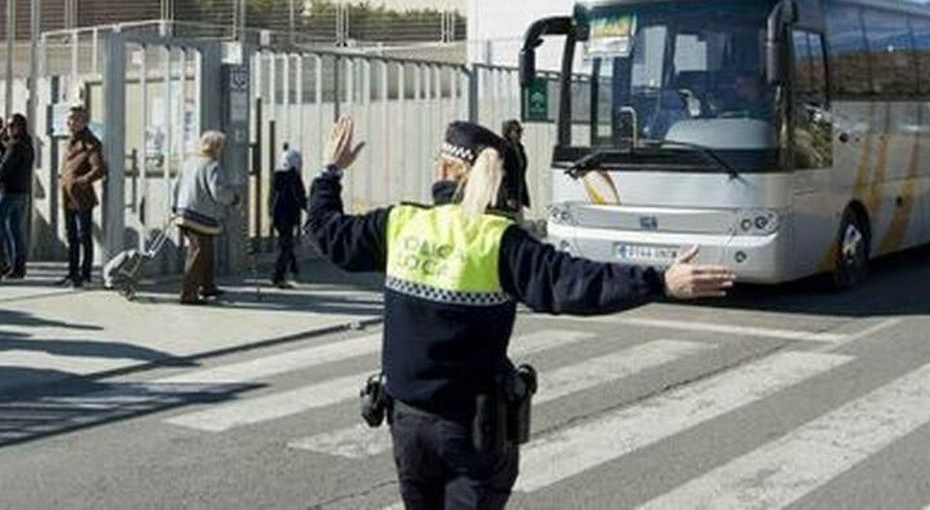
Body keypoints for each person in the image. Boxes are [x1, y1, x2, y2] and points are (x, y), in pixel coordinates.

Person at [306, 117, 735, 509]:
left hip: (408, 428)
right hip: (473, 431)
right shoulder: (501, 241)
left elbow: (326, 231)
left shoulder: (400, 225)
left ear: (442, 171)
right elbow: (576, 283)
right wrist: (660, 281)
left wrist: (331, 171)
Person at [173, 131, 234, 304]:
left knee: (205, 250)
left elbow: (176, 186)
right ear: (216, 147)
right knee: (198, 252)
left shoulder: (189, 162)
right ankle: (188, 294)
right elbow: (218, 192)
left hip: (184, 212)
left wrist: (175, 207)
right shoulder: (211, 165)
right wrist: (234, 199)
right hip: (200, 216)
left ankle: (207, 286)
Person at [0, 114, 34, 283]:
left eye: (12, 126)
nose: (9, 129)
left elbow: (4, 171)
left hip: (8, 191)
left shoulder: (16, 145)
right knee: (15, 231)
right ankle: (18, 266)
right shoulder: (27, 144)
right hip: (22, 191)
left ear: (20, 127)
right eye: (8, 126)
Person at [58, 107, 105, 288]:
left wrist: (81, 181)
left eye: (74, 120)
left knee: (83, 236)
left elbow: (99, 169)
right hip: (68, 197)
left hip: (82, 198)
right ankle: (72, 273)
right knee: (71, 237)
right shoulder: (69, 142)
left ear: (84, 122)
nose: (70, 123)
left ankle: (85, 274)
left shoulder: (91, 143)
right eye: (69, 119)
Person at [268, 147, 306, 289]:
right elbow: (300, 197)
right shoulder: (294, 177)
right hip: (288, 216)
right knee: (286, 247)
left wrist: (271, 214)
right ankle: (278, 277)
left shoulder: (276, 176)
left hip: (277, 216)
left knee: (286, 244)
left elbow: (271, 198)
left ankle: (294, 270)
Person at [499, 120, 531, 217]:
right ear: (508, 133)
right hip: (510, 193)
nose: (520, 134)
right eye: (517, 131)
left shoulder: (520, 148)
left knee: (519, 218)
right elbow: (505, 174)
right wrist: (509, 196)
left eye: (520, 131)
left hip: (519, 191)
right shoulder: (505, 149)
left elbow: (521, 172)